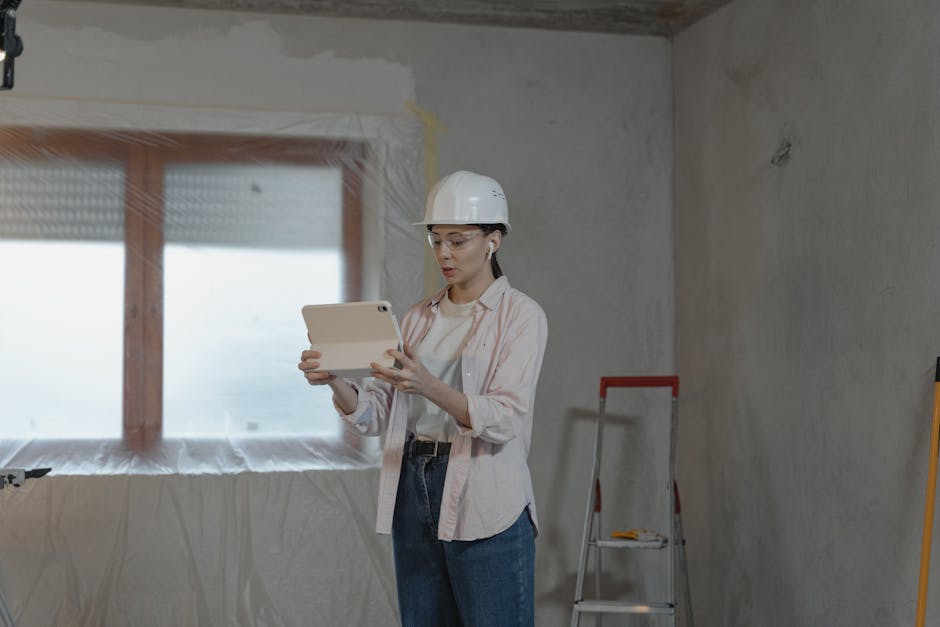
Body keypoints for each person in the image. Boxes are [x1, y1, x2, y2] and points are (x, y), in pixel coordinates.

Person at [298, 170, 547, 627]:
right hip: (413, 487)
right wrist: (333, 380)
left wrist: (427, 384)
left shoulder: (521, 316)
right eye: (435, 240)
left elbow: (505, 419)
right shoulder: (415, 318)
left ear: (494, 239)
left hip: (485, 490)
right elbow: (376, 415)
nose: (444, 254)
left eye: (458, 240)